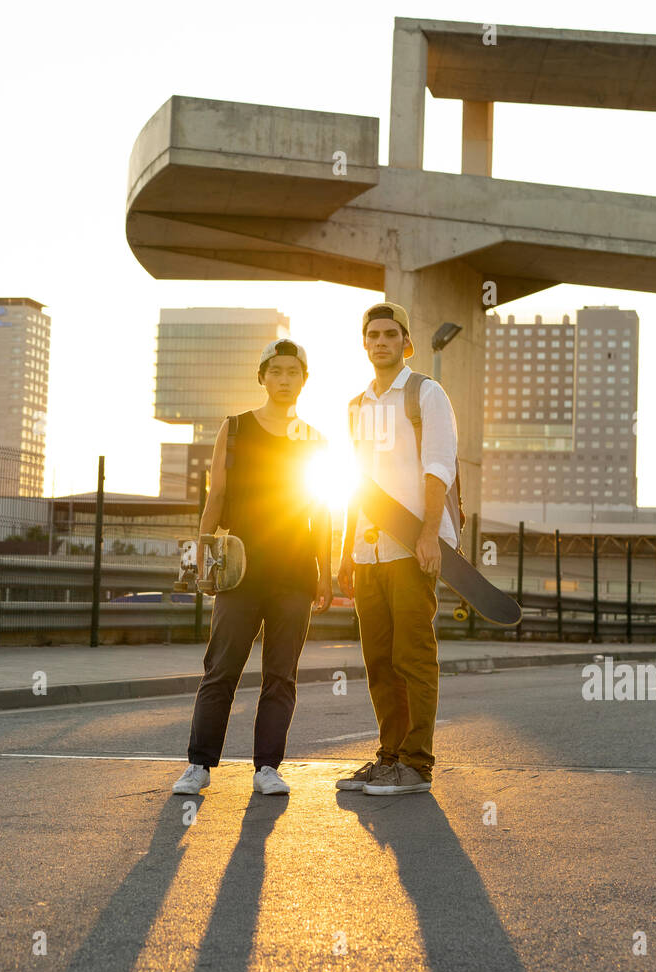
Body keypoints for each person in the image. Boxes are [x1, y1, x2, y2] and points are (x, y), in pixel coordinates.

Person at [172, 339, 332, 798]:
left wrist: (325, 569)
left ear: (304, 380)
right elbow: (216, 497)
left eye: (293, 372)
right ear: (262, 377)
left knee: (281, 675)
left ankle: (267, 768)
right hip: (238, 570)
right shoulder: (236, 428)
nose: (285, 380)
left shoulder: (315, 439)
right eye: (276, 371)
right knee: (221, 669)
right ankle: (199, 765)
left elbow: (322, 511)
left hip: (295, 571)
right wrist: (200, 558)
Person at [336, 302, 460, 796]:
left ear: (405, 342)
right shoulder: (356, 406)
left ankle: (417, 762)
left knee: (413, 655)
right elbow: (354, 485)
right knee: (379, 661)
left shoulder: (425, 393)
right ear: (364, 344)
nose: (381, 341)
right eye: (373, 334)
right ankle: (389, 756)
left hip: (411, 549)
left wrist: (429, 534)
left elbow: (438, 466)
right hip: (368, 554)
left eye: (390, 334)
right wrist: (346, 549)